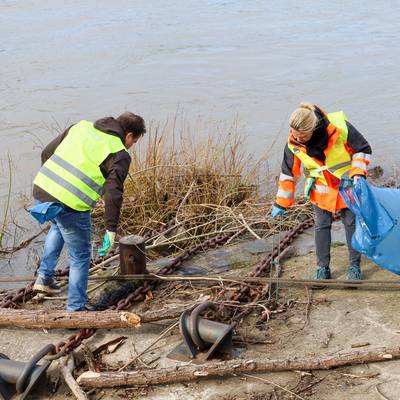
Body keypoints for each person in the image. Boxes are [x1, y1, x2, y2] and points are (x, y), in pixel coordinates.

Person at [30, 112, 146, 311]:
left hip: (42, 190)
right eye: (133, 142)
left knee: (58, 227)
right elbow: (113, 193)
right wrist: (110, 230)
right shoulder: (119, 153)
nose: (131, 146)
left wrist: (52, 186)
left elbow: (46, 152)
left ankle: (44, 279)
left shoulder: (81, 126)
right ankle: (76, 309)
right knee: (81, 256)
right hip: (71, 205)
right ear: (128, 135)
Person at [272, 103, 371, 280]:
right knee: (321, 227)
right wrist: (281, 203)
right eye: (294, 134)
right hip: (321, 190)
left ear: (314, 128)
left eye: (302, 136)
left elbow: (362, 149)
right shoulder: (293, 143)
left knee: (351, 225)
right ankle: (322, 268)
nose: (298, 139)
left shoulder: (341, 128)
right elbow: (288, 174)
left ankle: (354, 267)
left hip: (347, 186)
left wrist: (358, 174)